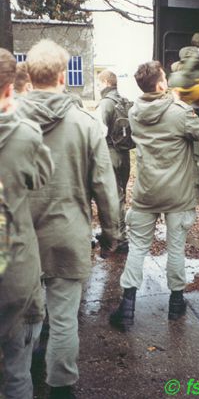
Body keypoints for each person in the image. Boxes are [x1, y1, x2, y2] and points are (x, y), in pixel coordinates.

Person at [17, 39, 120, 399]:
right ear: (63, 77)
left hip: (19, 240)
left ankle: (24, 377)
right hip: (67, 236)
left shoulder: (8, 122)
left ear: (27, 76)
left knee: (23, 318)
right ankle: (61, 389)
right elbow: (104, 185)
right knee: (63, 319)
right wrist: (111, 233)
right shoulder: (86, 125)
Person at [109, 60, 199, 331]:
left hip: (146, 194)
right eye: (165, 78)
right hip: (178, 196)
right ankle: (175, 304)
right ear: (160, 84)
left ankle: (127, 307)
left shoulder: (135, 112)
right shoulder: (179, 113)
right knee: (175, 248)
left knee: (137, 248)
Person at [0, 49, 54, 399]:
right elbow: (42, 177)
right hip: (12, 267)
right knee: (16, 364)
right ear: (9, 90)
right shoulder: (25, 134)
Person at [96, 69, 133, 253]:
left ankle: (120, 239)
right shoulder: (125, 101)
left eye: (98, 83)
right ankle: (118, 235)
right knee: (120, 196)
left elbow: (99, 132)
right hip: (124, 155)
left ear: (104, 83)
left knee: (111, 197)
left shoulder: (105, 103)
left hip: (110, 153)